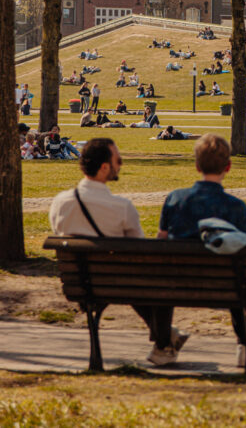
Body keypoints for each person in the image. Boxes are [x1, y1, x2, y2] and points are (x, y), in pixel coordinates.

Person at [158, 135, 246, 367]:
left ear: (196, 166)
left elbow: (161, 239)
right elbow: (243, 250)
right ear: (228, 166)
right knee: (239, 267)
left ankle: (162, 345)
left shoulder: (175, 199)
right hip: (227, 285)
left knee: (236, 268)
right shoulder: (235, 207)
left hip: (178, 282)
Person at [49, 138, 187, 365]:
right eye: (118, 160)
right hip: (121, 283)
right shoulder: (122, 208)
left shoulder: (60, 203)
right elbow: (140, 253)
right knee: (159, 278)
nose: (121, 165)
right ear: (104, 167)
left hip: (80, 284)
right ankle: (163, 343)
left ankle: (166, 337)